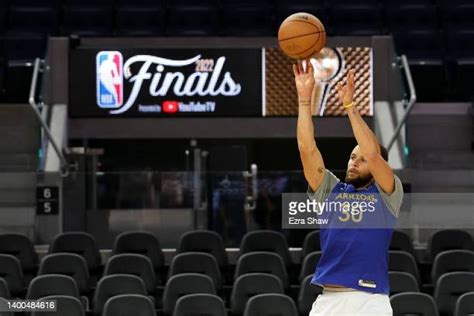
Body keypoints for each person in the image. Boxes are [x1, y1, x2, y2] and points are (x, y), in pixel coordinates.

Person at [294, 60, 404, 315]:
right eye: (352, 156)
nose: (354, 161)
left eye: (361, 159)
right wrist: (304, 99)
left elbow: (373, 154)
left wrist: (350, 106)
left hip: (370, 300)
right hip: (328, 300)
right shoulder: (331, 190)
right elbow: (306, 148)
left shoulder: (387, 193)